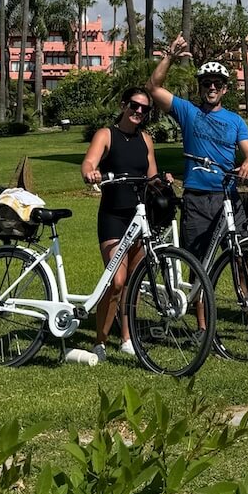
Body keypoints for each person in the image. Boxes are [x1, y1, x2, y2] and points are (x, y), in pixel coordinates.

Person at [145, 35, 248, 337]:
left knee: (240, 259)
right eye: (206, 83)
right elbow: (153, 88)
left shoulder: (235, 120)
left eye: (217, 84)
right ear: (200, 87)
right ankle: (201, 326)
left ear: (225, 89)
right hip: (197, 198)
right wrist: (170, 55)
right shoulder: (188, 113)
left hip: (228, 197)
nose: (211, 87)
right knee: (198, 263)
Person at [81, 86, 168, 361]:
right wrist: (91, 173)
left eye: (144, 109)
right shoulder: (106, 135)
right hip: (113, 216)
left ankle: (127, 337)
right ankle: (100, 341)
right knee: (116, 281)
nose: (138, 112)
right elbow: (88, 163)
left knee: (133, 280)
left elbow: (151, 176)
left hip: (139, 216)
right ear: (123, 105)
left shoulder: (146, 139)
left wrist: (163, 181)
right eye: (134, 105)